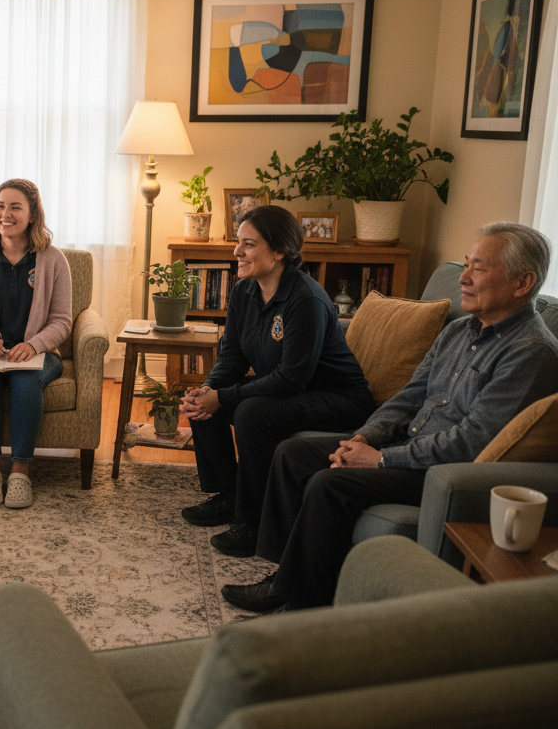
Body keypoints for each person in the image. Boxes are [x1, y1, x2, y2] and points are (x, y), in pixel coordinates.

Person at [223, 222, 558, 613]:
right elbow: (410, 395)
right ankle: (286, 578)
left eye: (478, 268)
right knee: (292, 454)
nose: (463, 278)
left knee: (331, 483)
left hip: (437, 471)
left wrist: (381, 459)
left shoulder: (531, 354)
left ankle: (300, 607)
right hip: (405, 446)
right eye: (465, 265)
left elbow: (472, 440)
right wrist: (365, 438)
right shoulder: (459, 331)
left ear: (523, 283)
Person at [180, 205, 375, 558]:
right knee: (205, 400)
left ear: (280, 251)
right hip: (291, 389)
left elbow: (292, 378)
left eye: (249, 244)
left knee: (251, 412)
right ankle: (229, 496)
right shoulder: (243, 292)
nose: (237, 252)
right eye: (238, 243)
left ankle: (256, 523)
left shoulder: (306, 300)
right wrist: (208, 390)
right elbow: (233, 357)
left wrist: (223, 397)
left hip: (337, 399)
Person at [0, 178, 72, 509]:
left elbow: (62, 321)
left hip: (38, 355)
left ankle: (20, 472)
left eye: (15, 207)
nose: (5, 214)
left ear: (33, 215)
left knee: (25, 380)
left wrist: (34, 345)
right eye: (0, 206)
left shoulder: (54, 260)